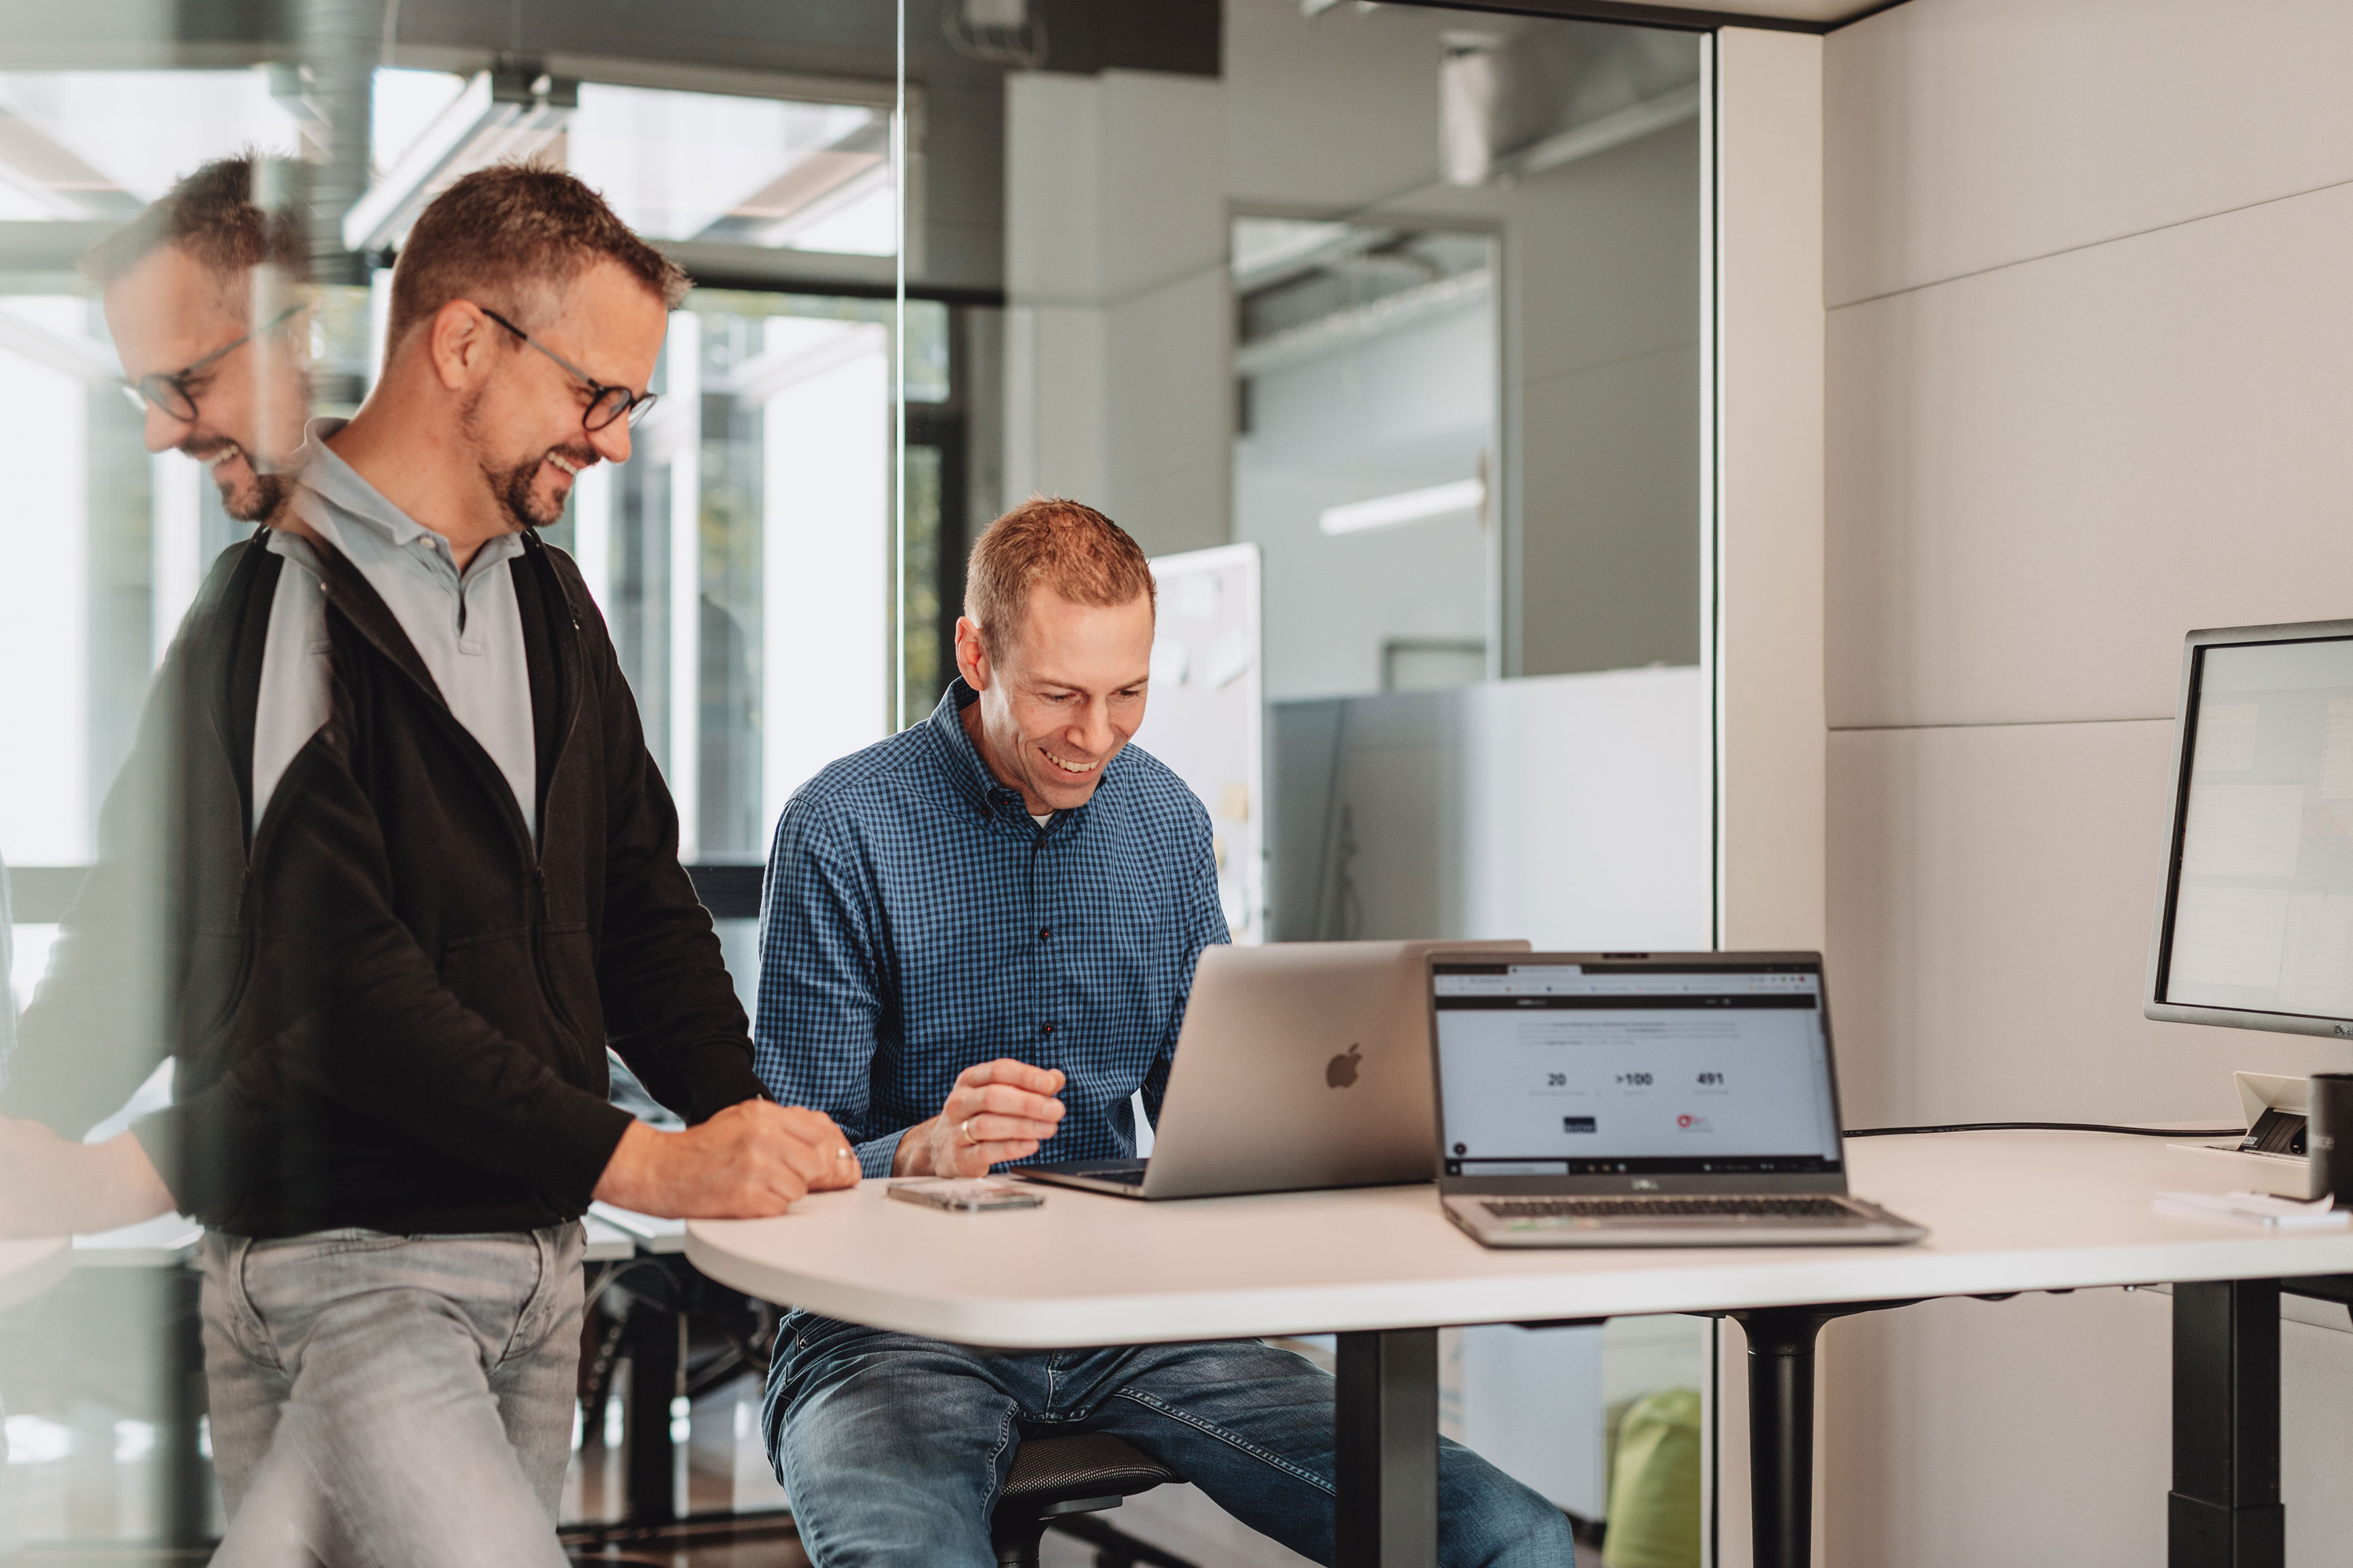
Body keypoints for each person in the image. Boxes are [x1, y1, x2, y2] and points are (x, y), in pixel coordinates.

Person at [8, 159, 857, 1565]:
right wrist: (34, 1145)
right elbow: (264, 963)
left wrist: (747, 1127)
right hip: (347, 1263)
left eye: (627, 403)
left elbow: (636, 904)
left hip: (534, 1267)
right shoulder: (276, 604)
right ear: (464, 342)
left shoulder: (548, 598)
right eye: (600, 396)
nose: (618, 442)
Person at [754, 498, 1576, 1567]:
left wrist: (1323, 1134)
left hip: (1130, 1309)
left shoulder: (1169, 824)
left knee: (1513, 1537)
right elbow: (778, 1162)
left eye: (1128, 693)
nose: (1096, 736)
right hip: (889, 1326)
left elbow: (1211, 1108)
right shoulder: (843, 828)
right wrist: (911, 1152)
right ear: (975, 650)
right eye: (1060, 695)